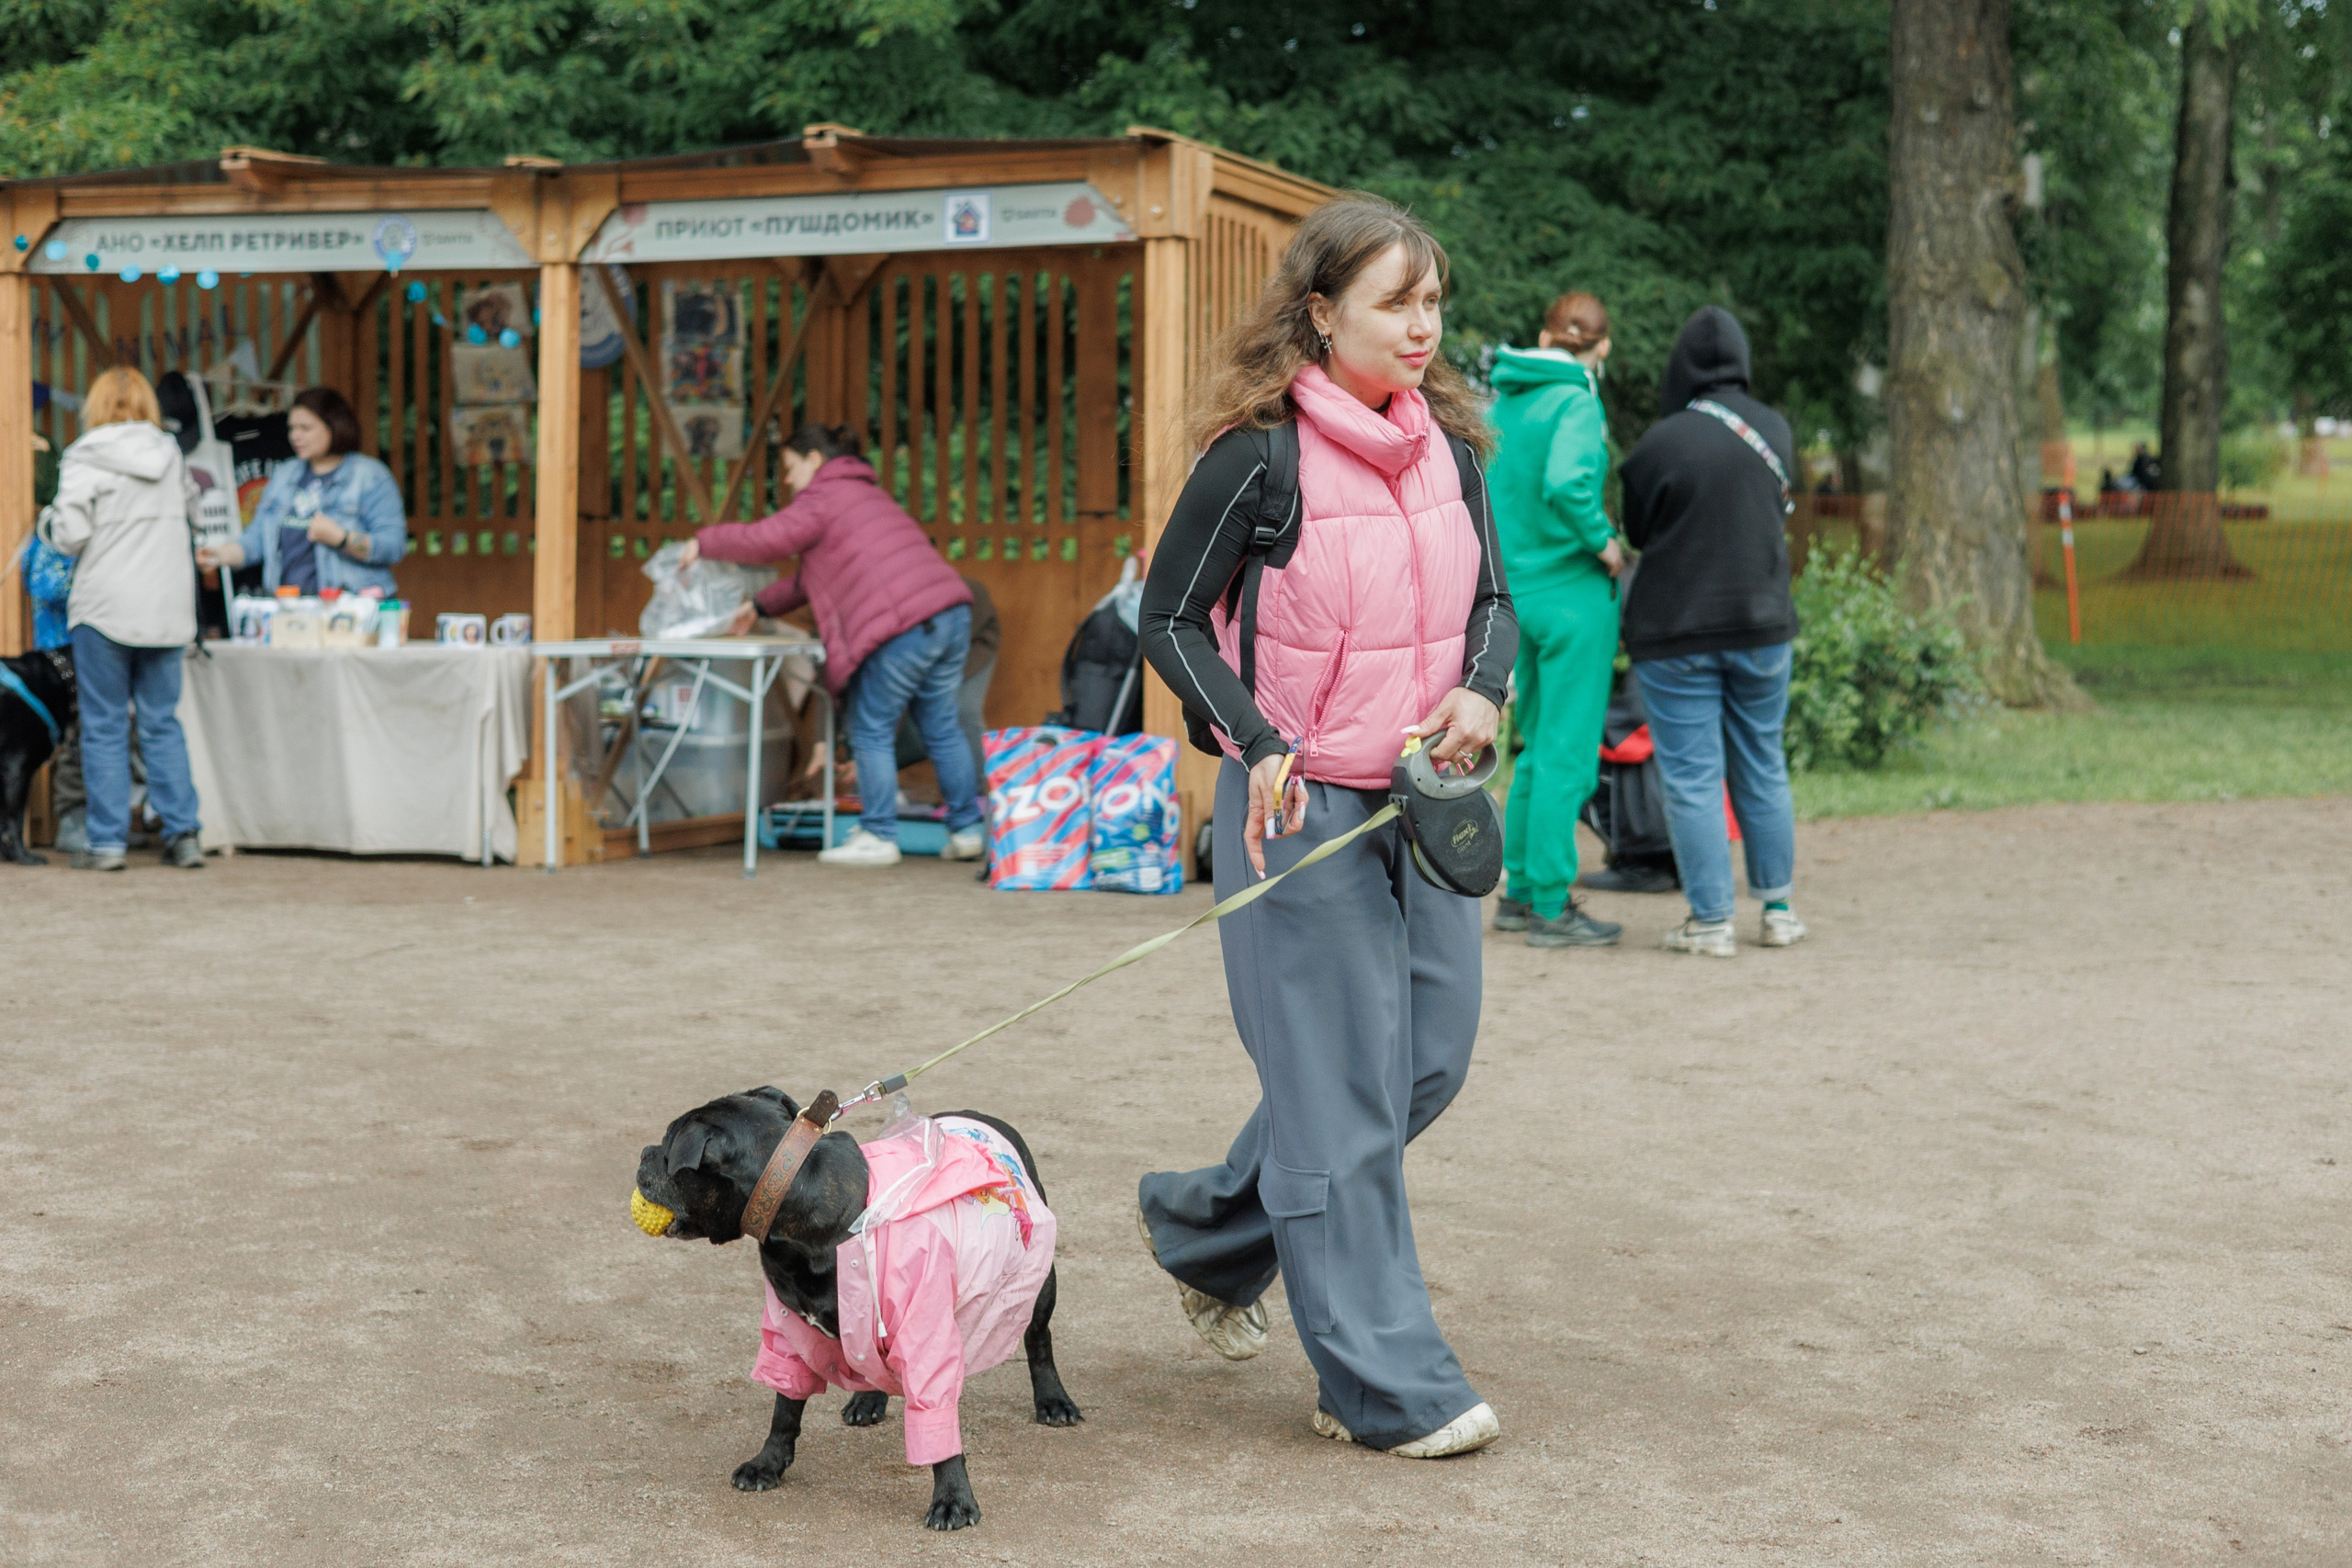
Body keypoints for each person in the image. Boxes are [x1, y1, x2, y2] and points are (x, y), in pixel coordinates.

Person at [1134, 194, 1517, 1459]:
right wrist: (1256, 739)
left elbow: (1496, 602)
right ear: (1320, 311)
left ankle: (1207, 1232)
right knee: (1345, 1092)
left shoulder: (1452, 446)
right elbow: (1171, 622)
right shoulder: (1259, 456)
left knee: (1424, 1062)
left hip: (1426, 803)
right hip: (1297, 815)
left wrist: (1484, 686)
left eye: (1432, 301)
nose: (1425, 326)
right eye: (1396, 302)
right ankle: (1385, 1384)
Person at [683, 423, 983, 867]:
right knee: (941, 726)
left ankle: (878, 835)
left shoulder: (824, 496)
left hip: (904, 624)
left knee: (870, 727)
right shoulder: (864, 494)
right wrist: (760, 607)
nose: (786, 480)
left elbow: (767, 541)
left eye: (789, 468)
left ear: (814, 461)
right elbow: (813, 578)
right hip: (949, 614)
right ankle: (967, 830)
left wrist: (702, 541)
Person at [1618, 306, 1806, 956]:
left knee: (1694, 776)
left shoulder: (1660, 444)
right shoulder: (1776, 429)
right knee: (1762, 761)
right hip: (1763, 625)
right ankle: (1778, 908)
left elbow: (1637, 531)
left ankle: (1711, 920)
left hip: (1677, 636)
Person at [1487, 289, 1626, 947]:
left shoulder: (1505, 399)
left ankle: (1517, 889)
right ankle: (1550, 901)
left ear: (1544, 336)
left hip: (1516, 594)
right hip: (1573, 597)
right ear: (1601, 348)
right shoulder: (1577, 399)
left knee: (1532, 747)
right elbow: (1569, 483)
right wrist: (1605, 542)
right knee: (1566, 752)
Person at [35, 367, 205, 871]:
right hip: (167, 609)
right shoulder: (170, 454)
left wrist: (44, 520)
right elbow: (196, 516)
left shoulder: (84, 456)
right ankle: (184, 835)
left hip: (105, 610)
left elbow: (68, 535)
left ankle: (106, 843)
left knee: (104, 726)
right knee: (161, 723)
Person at [198, 387, 405, 594]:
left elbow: (394, 547)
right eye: (292, 428)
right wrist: (218, 555)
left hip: (349, 612)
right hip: (288, 608)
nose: (295, 436)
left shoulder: (370, 476)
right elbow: (256, 539)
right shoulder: (285, 473)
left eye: (305, 428)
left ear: (334, 426)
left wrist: (341, 538)